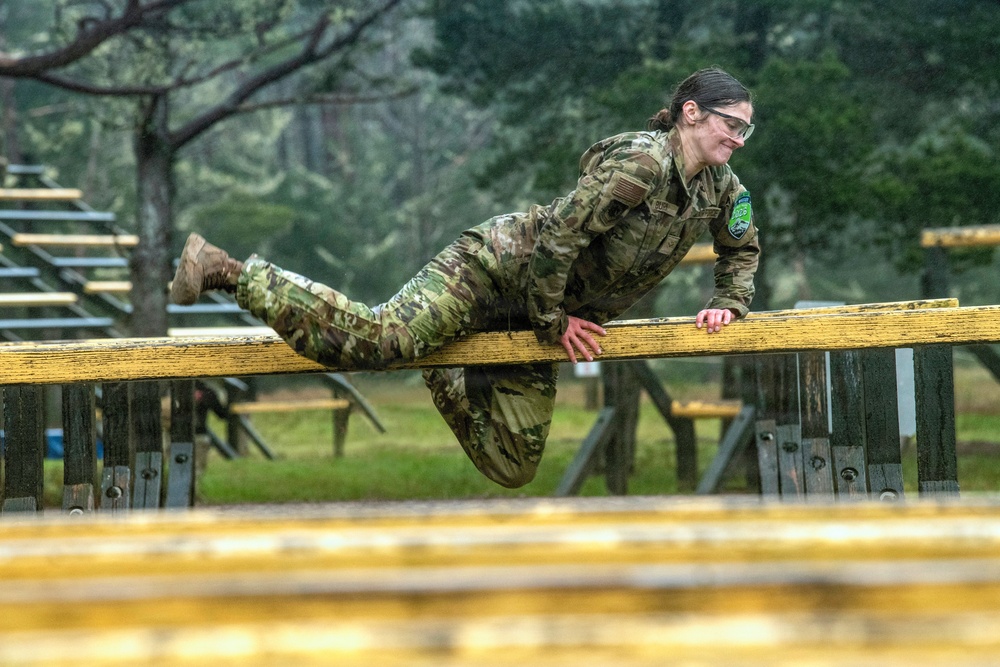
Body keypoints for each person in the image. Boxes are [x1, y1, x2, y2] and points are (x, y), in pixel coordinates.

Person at [169, 66, 760, 489]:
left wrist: (728, 303)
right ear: (691, 113)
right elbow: (561, 238)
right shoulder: (641, 163)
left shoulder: (721, 189)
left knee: (513, 463)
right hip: (493, 271)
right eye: (731, 124)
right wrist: (555, 321)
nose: (737, 138)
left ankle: (444, 368)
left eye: (745, 130)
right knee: (380, 342)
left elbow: (742, 247)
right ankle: (227, 269)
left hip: (539, 315)